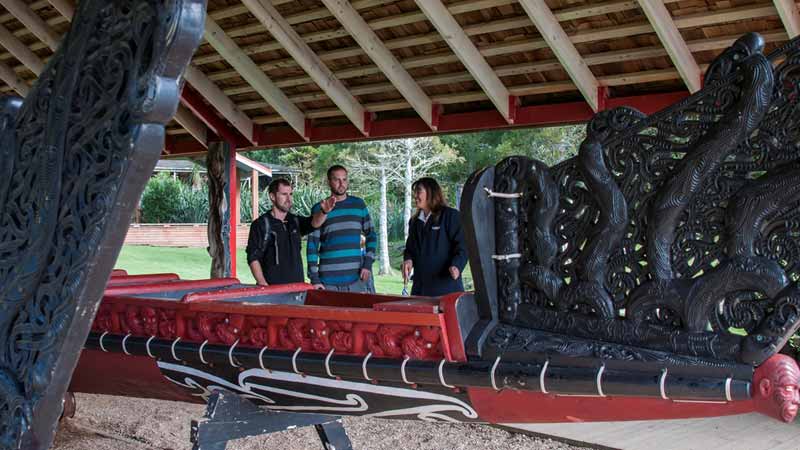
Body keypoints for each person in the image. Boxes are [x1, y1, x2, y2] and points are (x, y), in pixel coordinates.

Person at [246, 178, 335, 286]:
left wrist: (324, 212)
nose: (289, 199)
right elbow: (253, 257)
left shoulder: (295, 221)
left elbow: (314, 223)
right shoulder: (261, 224)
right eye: (284, 194)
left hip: (297, 289)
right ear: (272, 196)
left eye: (290, 194)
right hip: (273, 290)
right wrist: (262, 284)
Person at [307, 165, 377, 292]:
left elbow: (371, 235)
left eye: (344, 179)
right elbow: (312, 246)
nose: (341, 183)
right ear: (329, 182)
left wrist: (367, 264)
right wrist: (314, 278)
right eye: (337, 180)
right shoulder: (319, 208)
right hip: (327, 282)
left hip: (356, 280)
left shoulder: (358, 205)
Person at [402, 177, 467, 296]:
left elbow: (463, 246)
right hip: (420, 291)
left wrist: (457, 265)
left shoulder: (450, 216)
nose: (415, 196)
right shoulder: (414, 222)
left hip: (447, 291)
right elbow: (410, 249)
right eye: (414, 192)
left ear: (431, 192)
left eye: (419, 191)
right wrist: (408, 260)